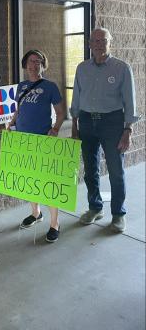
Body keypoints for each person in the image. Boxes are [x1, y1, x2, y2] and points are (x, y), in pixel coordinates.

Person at [70, 27, 138, 233]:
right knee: (90, 169)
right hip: (87, 121)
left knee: (116, 170)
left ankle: (118, 214)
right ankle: (95, 207)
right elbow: (77, 97)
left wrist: (128, 130)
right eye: (95, 41)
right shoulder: (82, 68)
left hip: (112, 122)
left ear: (110, 42)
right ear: (90, 44)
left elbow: (130, 102)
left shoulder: (121, 68)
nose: (99, 44)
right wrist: (74, 124)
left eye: (103, 40)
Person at [7, 50, 65, 243]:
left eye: (38, 62)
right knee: (30, 180)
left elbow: (60, 112)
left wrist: (55, 129)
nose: (34, 65)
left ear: (43, 65)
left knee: (48, 182)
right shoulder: (22, 86)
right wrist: (11, 123)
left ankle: (54, 223)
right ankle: (36, 213)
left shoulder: (50, 87)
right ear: (25, 65)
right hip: (23, 139)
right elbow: (19, 109)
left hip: (42, 140)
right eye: (31, 61)